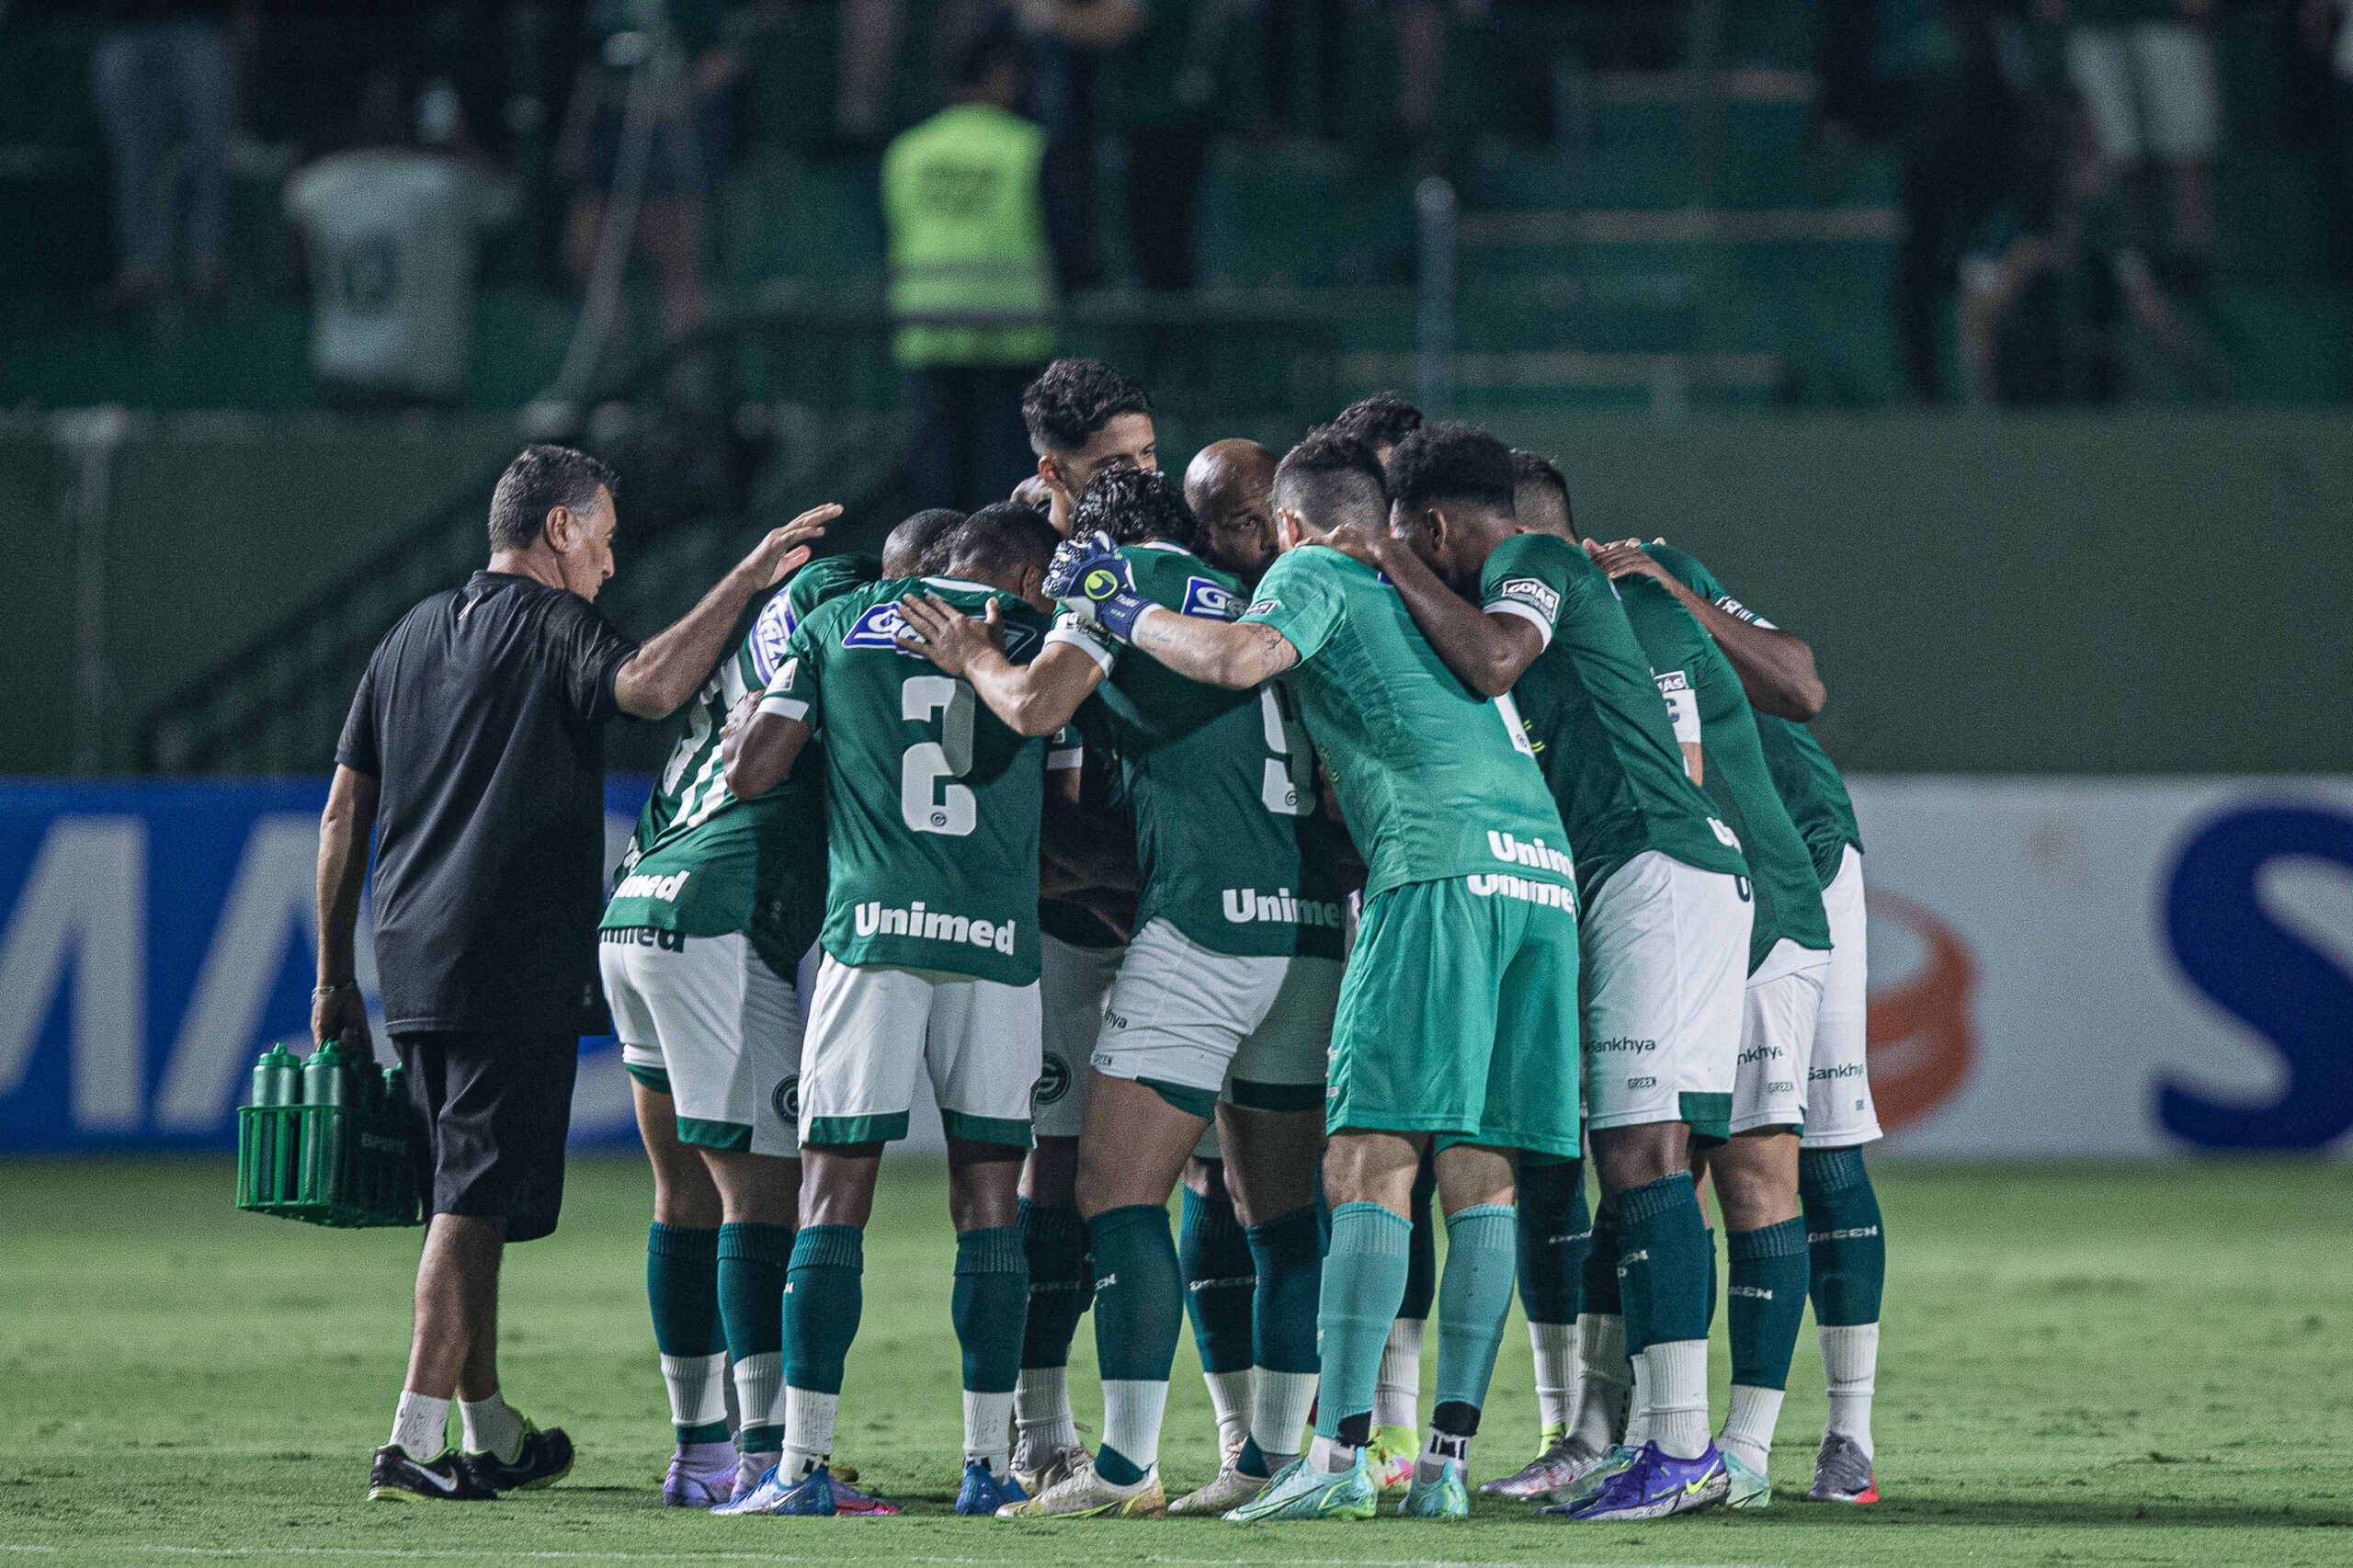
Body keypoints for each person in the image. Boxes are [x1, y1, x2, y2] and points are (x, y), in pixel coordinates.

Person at [1042, 428, 1581, 1522]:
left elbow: (1236, 661)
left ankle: (1335, 1458)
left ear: (1289, 523)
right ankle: (1439, 1463)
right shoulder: (1424, 588)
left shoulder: (1315, 570)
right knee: (1480, 1166)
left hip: (1436, 871)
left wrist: (1120, 607)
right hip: (1541, 870)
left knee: (1366, 1158)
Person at [313, 445, 830, 1503]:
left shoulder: (408, 633)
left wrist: (334, 977)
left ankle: (486, 1423)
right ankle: (410, 1436)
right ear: (558, 529)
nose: (608, 557)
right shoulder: (554, 623)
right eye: (600, 535)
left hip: (410, 951)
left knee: (472, 1191)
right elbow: (647, 689)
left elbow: (341, 811)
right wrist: (745, 579)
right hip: (508, 947)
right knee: (469, 1197)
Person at [1304, 433, 1756, 1519]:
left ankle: (1682, 1445)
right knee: (1642, 1152)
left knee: (1642, 1152)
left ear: (1443, 528)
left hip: (1653, 857)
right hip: (1634, 871)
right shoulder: (1512, 586)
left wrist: (1381, 558)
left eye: (1416, 538)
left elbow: (1495, 657)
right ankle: (1658, 1438)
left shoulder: (1533, 563)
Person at [894, 466, 1348, 1519]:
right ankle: (1271, 1459)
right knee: (1280, 1216)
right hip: (1311, 922)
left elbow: (1035, 700)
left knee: (1115, 1191)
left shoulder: (1110, 576)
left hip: (1204, 922)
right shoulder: (1255, 594)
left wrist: (968, 652)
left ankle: (1125, 1468)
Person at [717, 503, 1073, 1517]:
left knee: (832, 1198)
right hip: (999, 946)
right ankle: (984, 1463)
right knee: (990, 1205)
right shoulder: (1037, 641)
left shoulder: (840, 622)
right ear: (1012, 569)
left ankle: (801, 1467)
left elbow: (752, 771)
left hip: (872, 934)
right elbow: (1069, 785)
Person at [1593, 537, 1888, 1506]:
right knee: (1654, 1147)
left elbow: (1800, 687)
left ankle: (1847, 1428)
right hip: (1694, 882)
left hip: (1799, 850)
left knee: (1818, 1150)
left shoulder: (1650, 577)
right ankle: (1643, 1428)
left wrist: (1669, 583)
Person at [601, 494, 871, 1509]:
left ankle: (699, 1451)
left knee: (682, 1194)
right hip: (720, 914)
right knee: (762, 1196)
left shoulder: (731, 660)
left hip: (636, 905)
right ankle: (764, 1451)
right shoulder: (836, 615)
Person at [886, 24, 1058, 510]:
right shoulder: (1026, 145)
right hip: (1011, 330)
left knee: (939, 472)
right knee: (1006, 474)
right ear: (1002, 75)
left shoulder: (907, 150)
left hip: (930, 328)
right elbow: (1065, 234)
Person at [284, 74, 516, 416]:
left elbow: (297, 220)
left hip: (342, 368)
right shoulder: (443, 183)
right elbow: (506, 202)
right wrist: (459, 142)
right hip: (421, 374)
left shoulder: (319, 184)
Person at [554, 0, 744, 353]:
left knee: (677, 268)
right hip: (610, 135)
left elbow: (731, 55)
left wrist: (679, 96)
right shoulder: (605, 10)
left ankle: (681, 387)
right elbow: (591, 67)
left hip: (673, 140)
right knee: (585, 255)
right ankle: (616, 379)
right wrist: (575, 133)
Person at [2051, 0, 2220, 285]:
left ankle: (2193, 253)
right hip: (2096, 20)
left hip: (2169, 20)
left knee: (2185, 145)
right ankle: (2136, 254)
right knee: (2117, 150)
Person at [89, 0, 233, 311]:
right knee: (133, 159)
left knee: (209, 153)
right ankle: (139, 271)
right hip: (127, 25)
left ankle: (207, 269)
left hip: (197, 22)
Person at [1023, 357, 1159, 534]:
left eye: (1147, 452)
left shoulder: (1178, 550)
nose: (1142, 472)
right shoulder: (1018, 556)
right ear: (1053, 474)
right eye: (1114, 462)